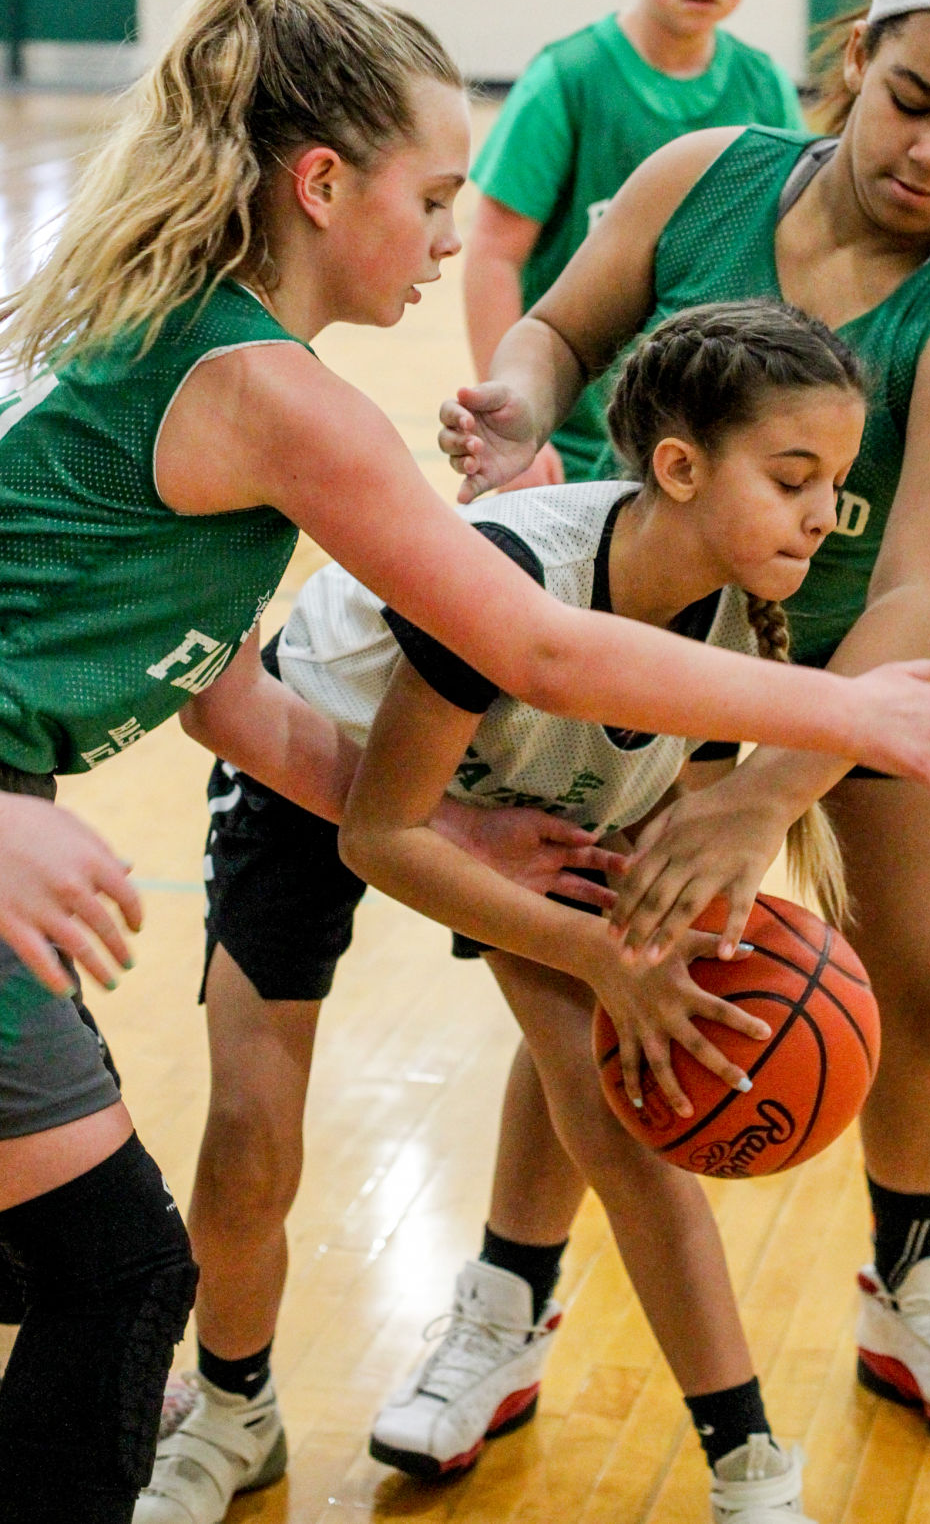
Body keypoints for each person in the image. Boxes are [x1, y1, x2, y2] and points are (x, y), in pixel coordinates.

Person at [0, 0, 930, 1524]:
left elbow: (217, 689)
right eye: (432, 199)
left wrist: (457, 833)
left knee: (83, 1263)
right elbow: (533, 648)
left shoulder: (203, 347)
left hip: (307, 779)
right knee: (122, 1276)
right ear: (321, 184)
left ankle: (701, 1428)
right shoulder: (280, 399)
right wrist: (848, 708)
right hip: (161, 782)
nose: (453, 239)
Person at [438, 0, 930, 1478]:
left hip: (849, 675)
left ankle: (911, 1290)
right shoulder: (702, 176)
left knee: (926, 989)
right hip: (648, 651)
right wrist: (515, 397)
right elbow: (558, 327)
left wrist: (764, 793)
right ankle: (502, 1304)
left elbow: (920, 599)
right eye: (912, 99)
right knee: (594, 974)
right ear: (855, 56)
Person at [142, 299, 868, 1524]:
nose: (820, 514)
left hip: (518, 794)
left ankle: (750, 1468)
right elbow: (380, 833)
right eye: (792, 478)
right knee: (256, 1125)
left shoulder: (732, 629)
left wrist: (666, 960)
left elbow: (674, 832)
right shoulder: (514, 579)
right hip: (322, 764)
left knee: (618, 1110)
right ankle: (231, 1409)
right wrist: (595, 950)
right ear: (678, 468)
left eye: (833, 487)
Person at [464, 0, 805, 487]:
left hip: (711, 450)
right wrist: (512, 417)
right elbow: (493, 254)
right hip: (571, 444)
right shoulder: (568, 79)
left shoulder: (764, 88)